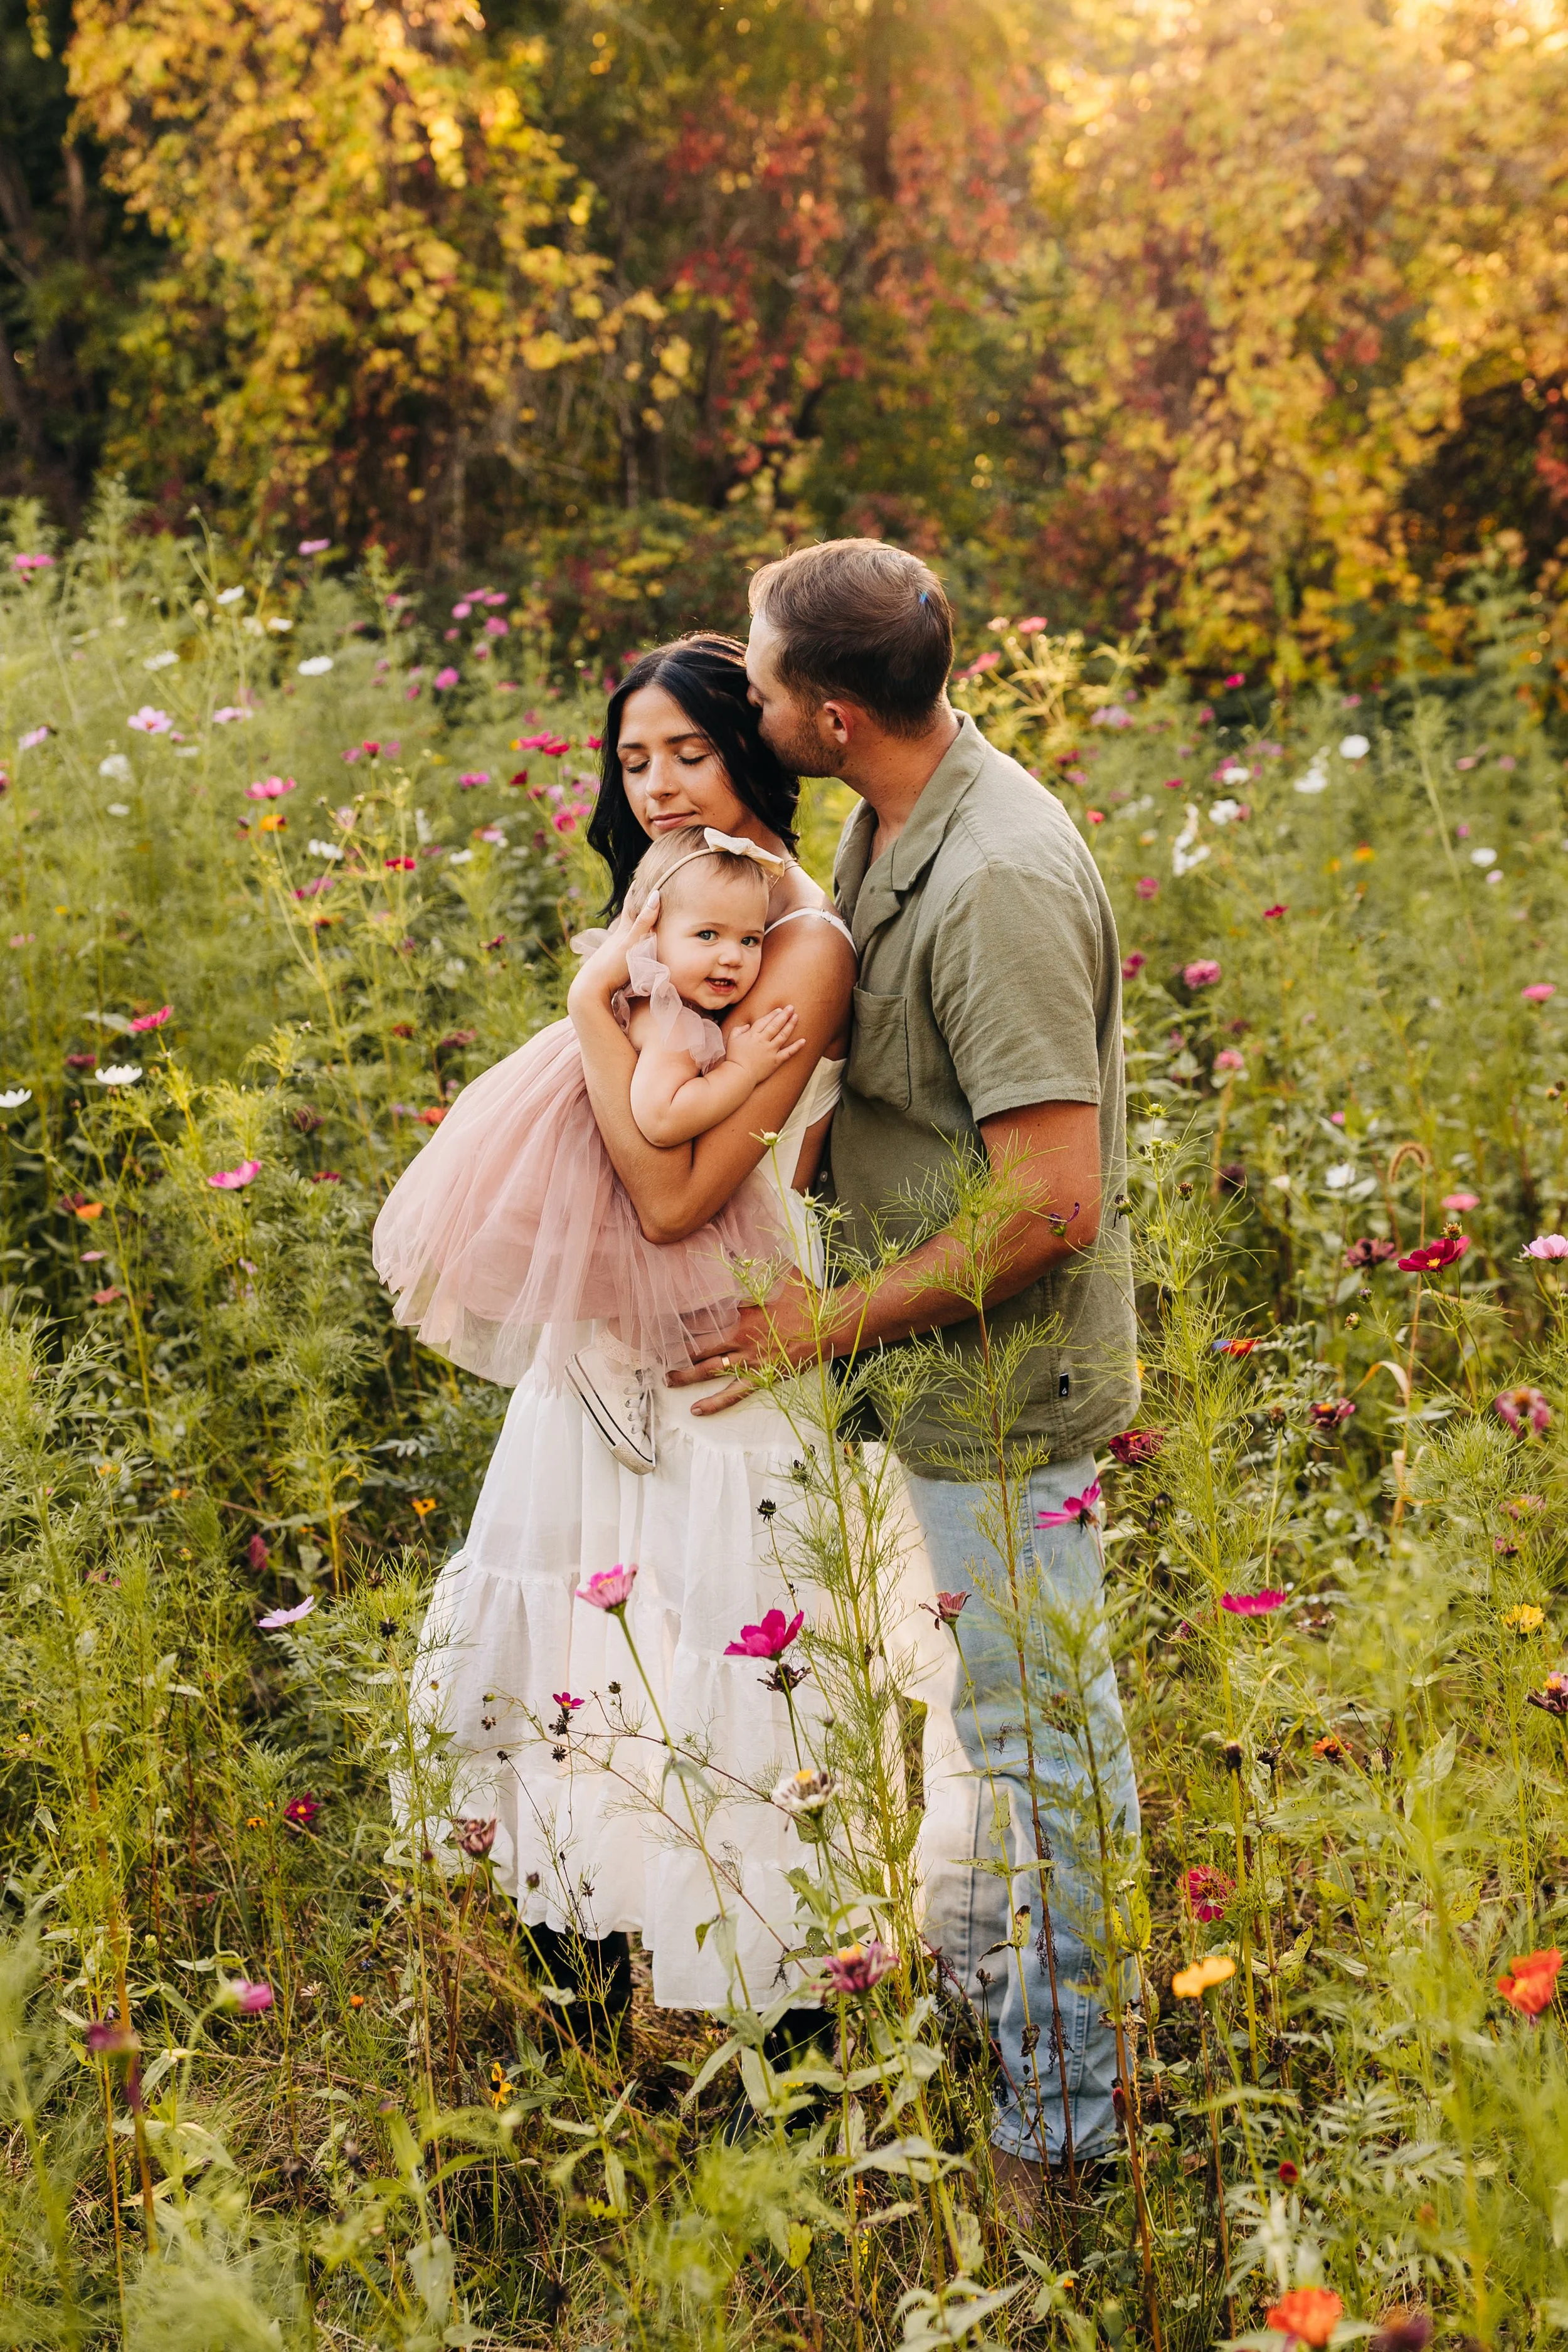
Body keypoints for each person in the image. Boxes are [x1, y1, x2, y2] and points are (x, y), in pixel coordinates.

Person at [389, 634, 959, 2020]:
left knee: (718, 1664)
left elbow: (669, 1195)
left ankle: (780, 2036)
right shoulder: (665, 908)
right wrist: (608, 979)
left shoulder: (797, 939)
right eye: (633, 759)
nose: (656, 785)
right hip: (601, 1366)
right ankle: (582, 2005)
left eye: (689, 753)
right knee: (584, 1662)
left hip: (721, 1350)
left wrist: (591, 1007)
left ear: (755, 746)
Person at [670, 541, 1142, 2189]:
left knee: (1044, 1740)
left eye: (759, 663)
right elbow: (934, 1087)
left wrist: (819, 1323)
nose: (742, 681)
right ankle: (1005, 2013)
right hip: (938, 1371)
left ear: (833, 707)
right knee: (994, 1726)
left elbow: (1049, 1200)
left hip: (1004, 1389)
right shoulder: (890, 815)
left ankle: (1063, 2120)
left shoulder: (995, 872)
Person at [371, 821, 807, 1465]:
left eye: (749, 939)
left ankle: (621, 1361)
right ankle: (616, 1366)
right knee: (670, 1265)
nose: (731, 958)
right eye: (707, 936)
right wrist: (744, 1069)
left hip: (579, 1145)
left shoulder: (647, 995)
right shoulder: (671, 1024)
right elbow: (661, 1121)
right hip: (603, 1158)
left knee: (657, 1269)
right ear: (651, 935)